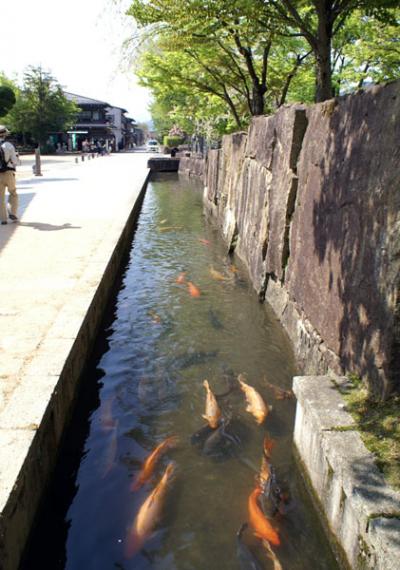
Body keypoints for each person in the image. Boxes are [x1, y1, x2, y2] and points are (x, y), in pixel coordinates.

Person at [0, 125, 18, 225]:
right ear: (5, 134)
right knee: (13, 192)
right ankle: (12, 212)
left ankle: (3, 219)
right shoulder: (9, 145)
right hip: (8, 172)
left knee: (0, 197)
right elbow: (15, 161)